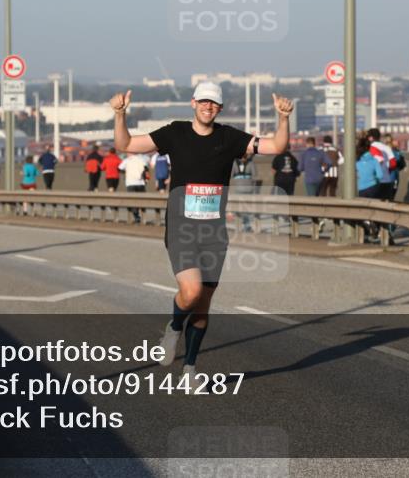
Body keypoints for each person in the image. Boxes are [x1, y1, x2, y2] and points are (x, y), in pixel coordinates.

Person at [110, 82, 293, 378]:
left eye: (214, 103)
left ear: (219, 108)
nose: (209, 107)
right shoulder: (175, 132)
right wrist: (120, 115)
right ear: (193, 103)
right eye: (204, 101)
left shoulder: (229, 137)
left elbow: (276, 147)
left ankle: (190, 369)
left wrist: (283, 118)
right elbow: (126, 144)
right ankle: (174, 327)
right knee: (191, 290)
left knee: (203, 303)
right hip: (181, 227)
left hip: (213, 232)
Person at [120, 153, 149, 222]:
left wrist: (126, 171)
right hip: (140, 183)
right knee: (142, 200)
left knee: (133, 200)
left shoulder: (127, 160)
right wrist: (146, 179)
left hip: (130, 183)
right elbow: (146, 169)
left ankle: (136, 216)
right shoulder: (142, 159)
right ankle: (143, 216)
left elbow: (120, 168)